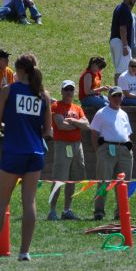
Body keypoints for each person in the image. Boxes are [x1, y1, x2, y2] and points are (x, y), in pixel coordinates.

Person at [0, 54, 52, 265]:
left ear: (20, 71)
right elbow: (48, 130)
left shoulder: (9, 90)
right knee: (29, 202)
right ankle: (24, 252)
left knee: (1, 203)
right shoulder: (43, 95)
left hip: (14, 150)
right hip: (35, 152)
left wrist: (12, 125)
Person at [47, 80, 89, 221]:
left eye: (71, 89)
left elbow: (87, 125)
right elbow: (60, 125)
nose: (69, 92)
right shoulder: (56, 106)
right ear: (62, 91)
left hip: (77, 145)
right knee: (59, 179)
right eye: (66, 89)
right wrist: (77, 124)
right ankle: (52, 211)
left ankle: (67, 210)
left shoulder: (77, 108)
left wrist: (72, 122)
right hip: (62, 145)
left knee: (72, 180)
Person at [90, 86, 134, 221]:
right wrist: (98, 151)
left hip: (124, 150)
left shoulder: (124, 114)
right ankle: (99, 211)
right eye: (114, 96)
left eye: (120, 95)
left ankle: (121, 212)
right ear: (109, 98)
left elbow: (127, 133)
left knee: (124, 183)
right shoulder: (101, 113)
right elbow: (94, 133)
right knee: (104, 181)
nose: (117, 98)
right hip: (106, 149)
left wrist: (129, 149)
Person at [110, 0, 136, 83]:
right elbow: (122, 28)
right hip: (120, 42)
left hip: (116, 41)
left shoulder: (119, 7)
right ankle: (117, 93)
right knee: (122, 70)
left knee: (120, 67)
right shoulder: (124, 9)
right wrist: (125, 45)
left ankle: (118, 93)